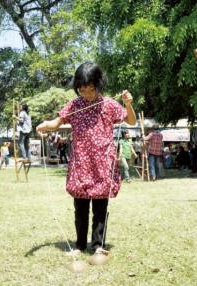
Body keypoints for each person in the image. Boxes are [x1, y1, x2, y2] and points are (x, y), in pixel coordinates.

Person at [36, 62, 136, 255]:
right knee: (80, 207)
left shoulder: (109, 105)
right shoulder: (74, 105)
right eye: (82, 90)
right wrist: (45, 125)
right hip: (80, 164)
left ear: (98, 85)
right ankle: (80, 245)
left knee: (100, 207)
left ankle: (98, 245)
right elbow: (57, 122)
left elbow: (130, 120)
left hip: (103, 164)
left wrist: (128, 104)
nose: (87, 94)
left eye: (90, 89)